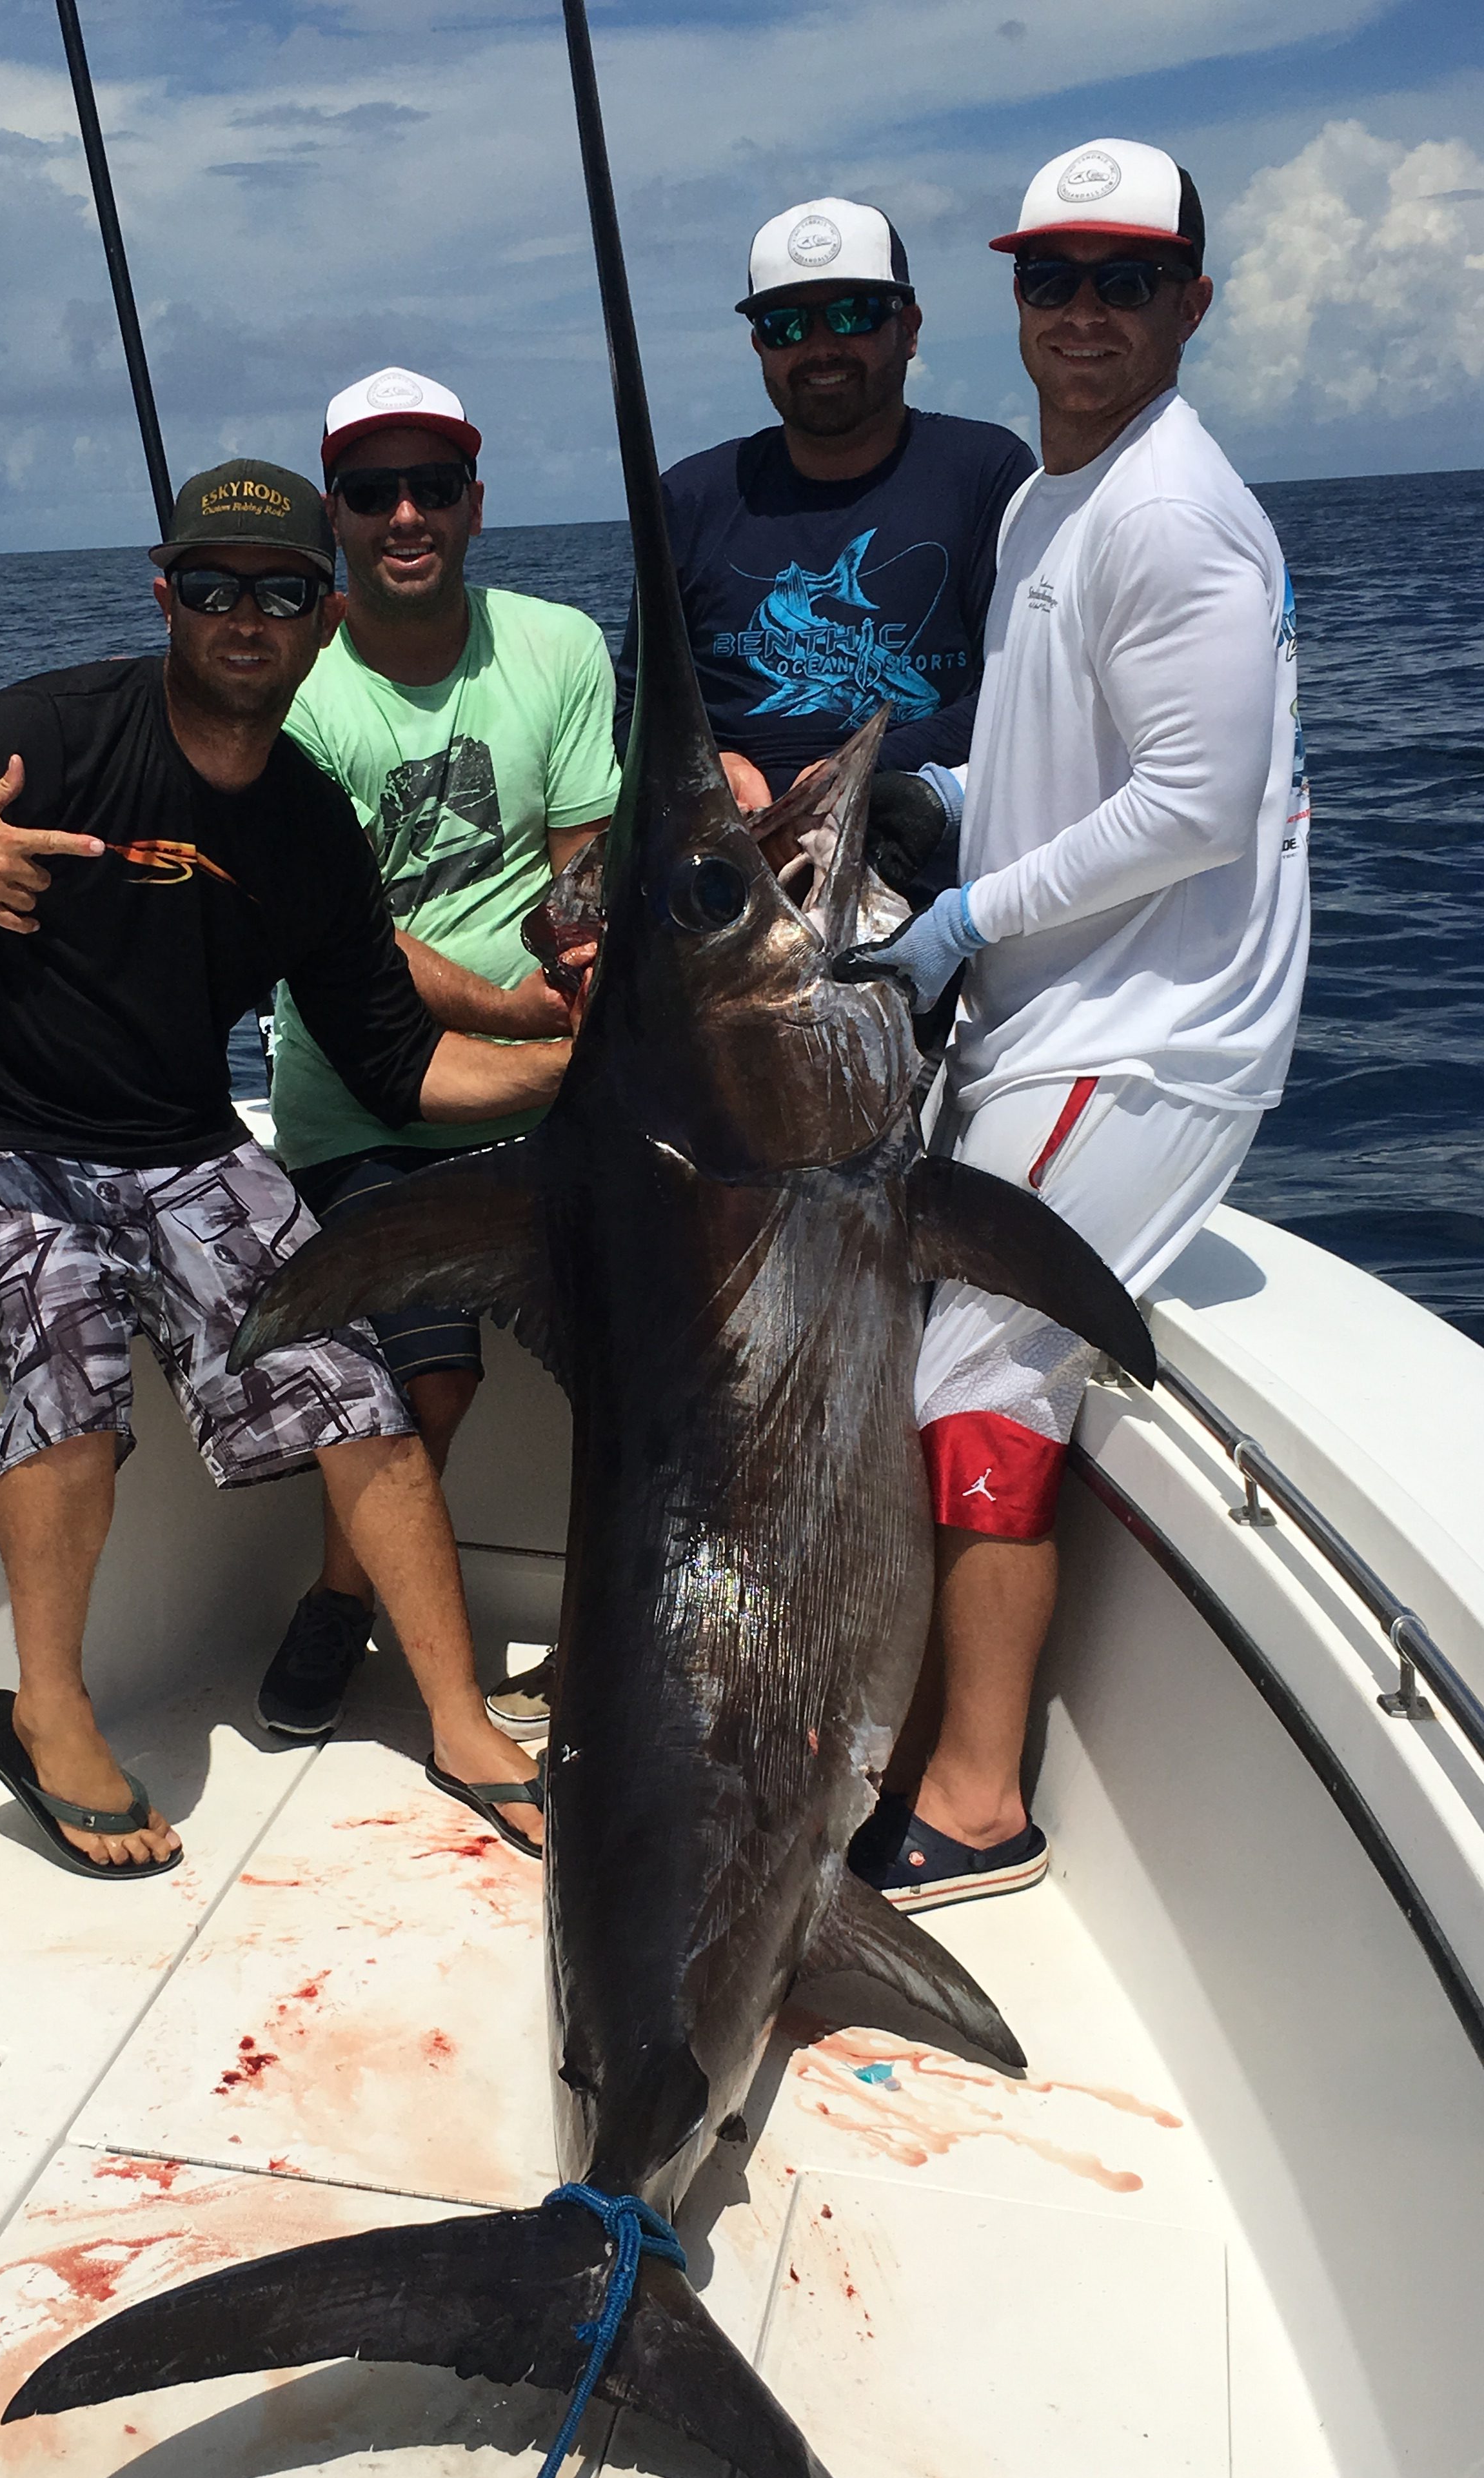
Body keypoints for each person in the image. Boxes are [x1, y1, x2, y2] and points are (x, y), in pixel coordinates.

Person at [0, 459, 566, 1871]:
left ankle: (456, 1716)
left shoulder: (312, 827)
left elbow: (397, 1063)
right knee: (65, 1312)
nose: (243, 618)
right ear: (166, 598)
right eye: (213, 589)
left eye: (277, 592)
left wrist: (582, 1063)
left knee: (355, 1369)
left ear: (323, 618)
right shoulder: (38, 738)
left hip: (176, 1142)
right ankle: (51, 1709)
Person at [845, 140, 1311, 1907]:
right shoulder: (1055, 496)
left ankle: (978, 1806)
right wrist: (957, 795)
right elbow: (1091, 751)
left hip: (1149, 1026)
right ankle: (914, 1734)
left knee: (980, 1371)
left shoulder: (1175, 511)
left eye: (1127, 281)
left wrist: (970, 909)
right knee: (919, 1351)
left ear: (1191, 301)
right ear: (1017, 300)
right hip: (1050, 1006)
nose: (1087, 313)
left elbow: (1195, 807)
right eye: (1056, 279)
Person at [255, 370, 618, 1743]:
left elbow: (581, 867)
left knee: (656, 1351)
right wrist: (522, 1015)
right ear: (334, 518)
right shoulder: (298, 688)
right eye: (369, 490)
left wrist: (580, 979)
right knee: (429, 1375)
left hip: (547, 1084)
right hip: (370, 1091)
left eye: (431, 486)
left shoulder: (561, 646)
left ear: (475, 502)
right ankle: (341, 1604)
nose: (404, 513)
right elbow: (349, 940)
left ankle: (614, 1636)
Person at [614, 195, 1034, 833]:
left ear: (910, 327)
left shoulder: (986, 473)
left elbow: (1026, 685)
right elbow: (634, 711)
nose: (821, 347)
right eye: (787, 324)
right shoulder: (691, 497)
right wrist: (705, 766)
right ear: (759, 343)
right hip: (737, 863)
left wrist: (865, 770)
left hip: (918, 849)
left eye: (853, 314)